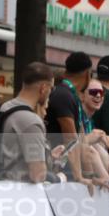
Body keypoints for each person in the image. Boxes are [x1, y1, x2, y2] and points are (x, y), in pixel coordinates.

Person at [0, 62, 61, 183]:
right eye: (52, 88)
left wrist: (49, 157)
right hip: (19, 190)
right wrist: (59, 178)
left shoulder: (4, 107)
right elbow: (38, 175)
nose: (51, 93)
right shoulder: (31, 121)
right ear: (43, 88)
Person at [45, 51, 91, 185]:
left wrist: (89, 174)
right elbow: (71, 139)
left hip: (61, 167)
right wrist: (79, 177)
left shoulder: (67, 94)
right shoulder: (64, 95)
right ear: (87, 73)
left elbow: (80, 138)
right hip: (60, 171)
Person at [79, 80, 109, 190]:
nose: (98, 95)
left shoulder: (88, 119)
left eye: (101, 93)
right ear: (82, 96)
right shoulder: (78, 114)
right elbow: (77, 147)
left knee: (99, 145)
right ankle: (108, 180)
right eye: (93, 92)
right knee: (95, 146)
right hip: (68, 169)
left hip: (87, 175)